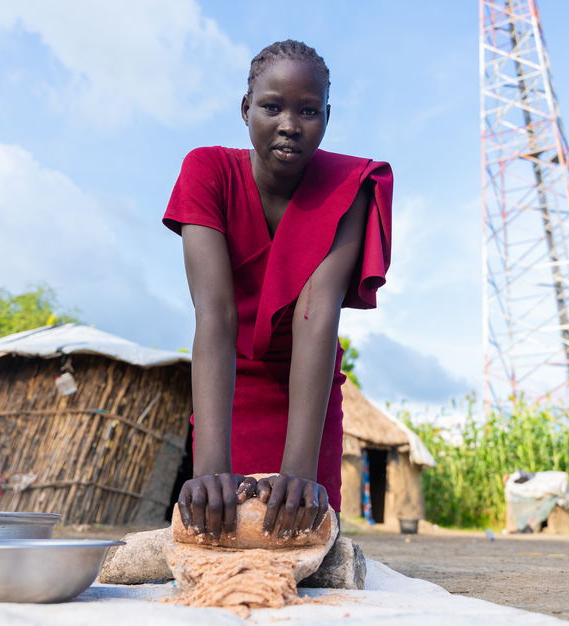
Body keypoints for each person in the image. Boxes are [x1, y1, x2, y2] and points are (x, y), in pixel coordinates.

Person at [162, 40, 393, 541]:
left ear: (327, 117)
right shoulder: (207, 172)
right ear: (246, 109)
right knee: (218, 539)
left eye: (308, 110)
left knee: (303, 544)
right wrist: (210, 468)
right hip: (230, 383)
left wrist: (299, 472)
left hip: (306, 392)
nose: (290, 124)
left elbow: (317, 312)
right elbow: (216, 314)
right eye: (272, 106)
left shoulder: (347, 186)